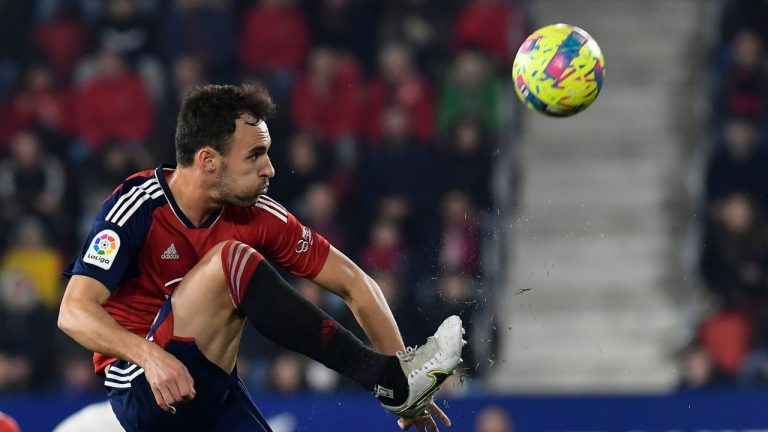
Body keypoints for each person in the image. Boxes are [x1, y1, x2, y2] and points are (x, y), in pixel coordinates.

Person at [58, 83, 465, 432]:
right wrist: (149, 356)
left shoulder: (258, 214)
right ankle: (387, 381)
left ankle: (396, 383)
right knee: (231, 261)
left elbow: (356, 284)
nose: (270, 169)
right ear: (208, 160)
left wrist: (407, 380)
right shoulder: (137, 207)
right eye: (255, 155)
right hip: (147, 387)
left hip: (212, 392)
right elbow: (73, 312)